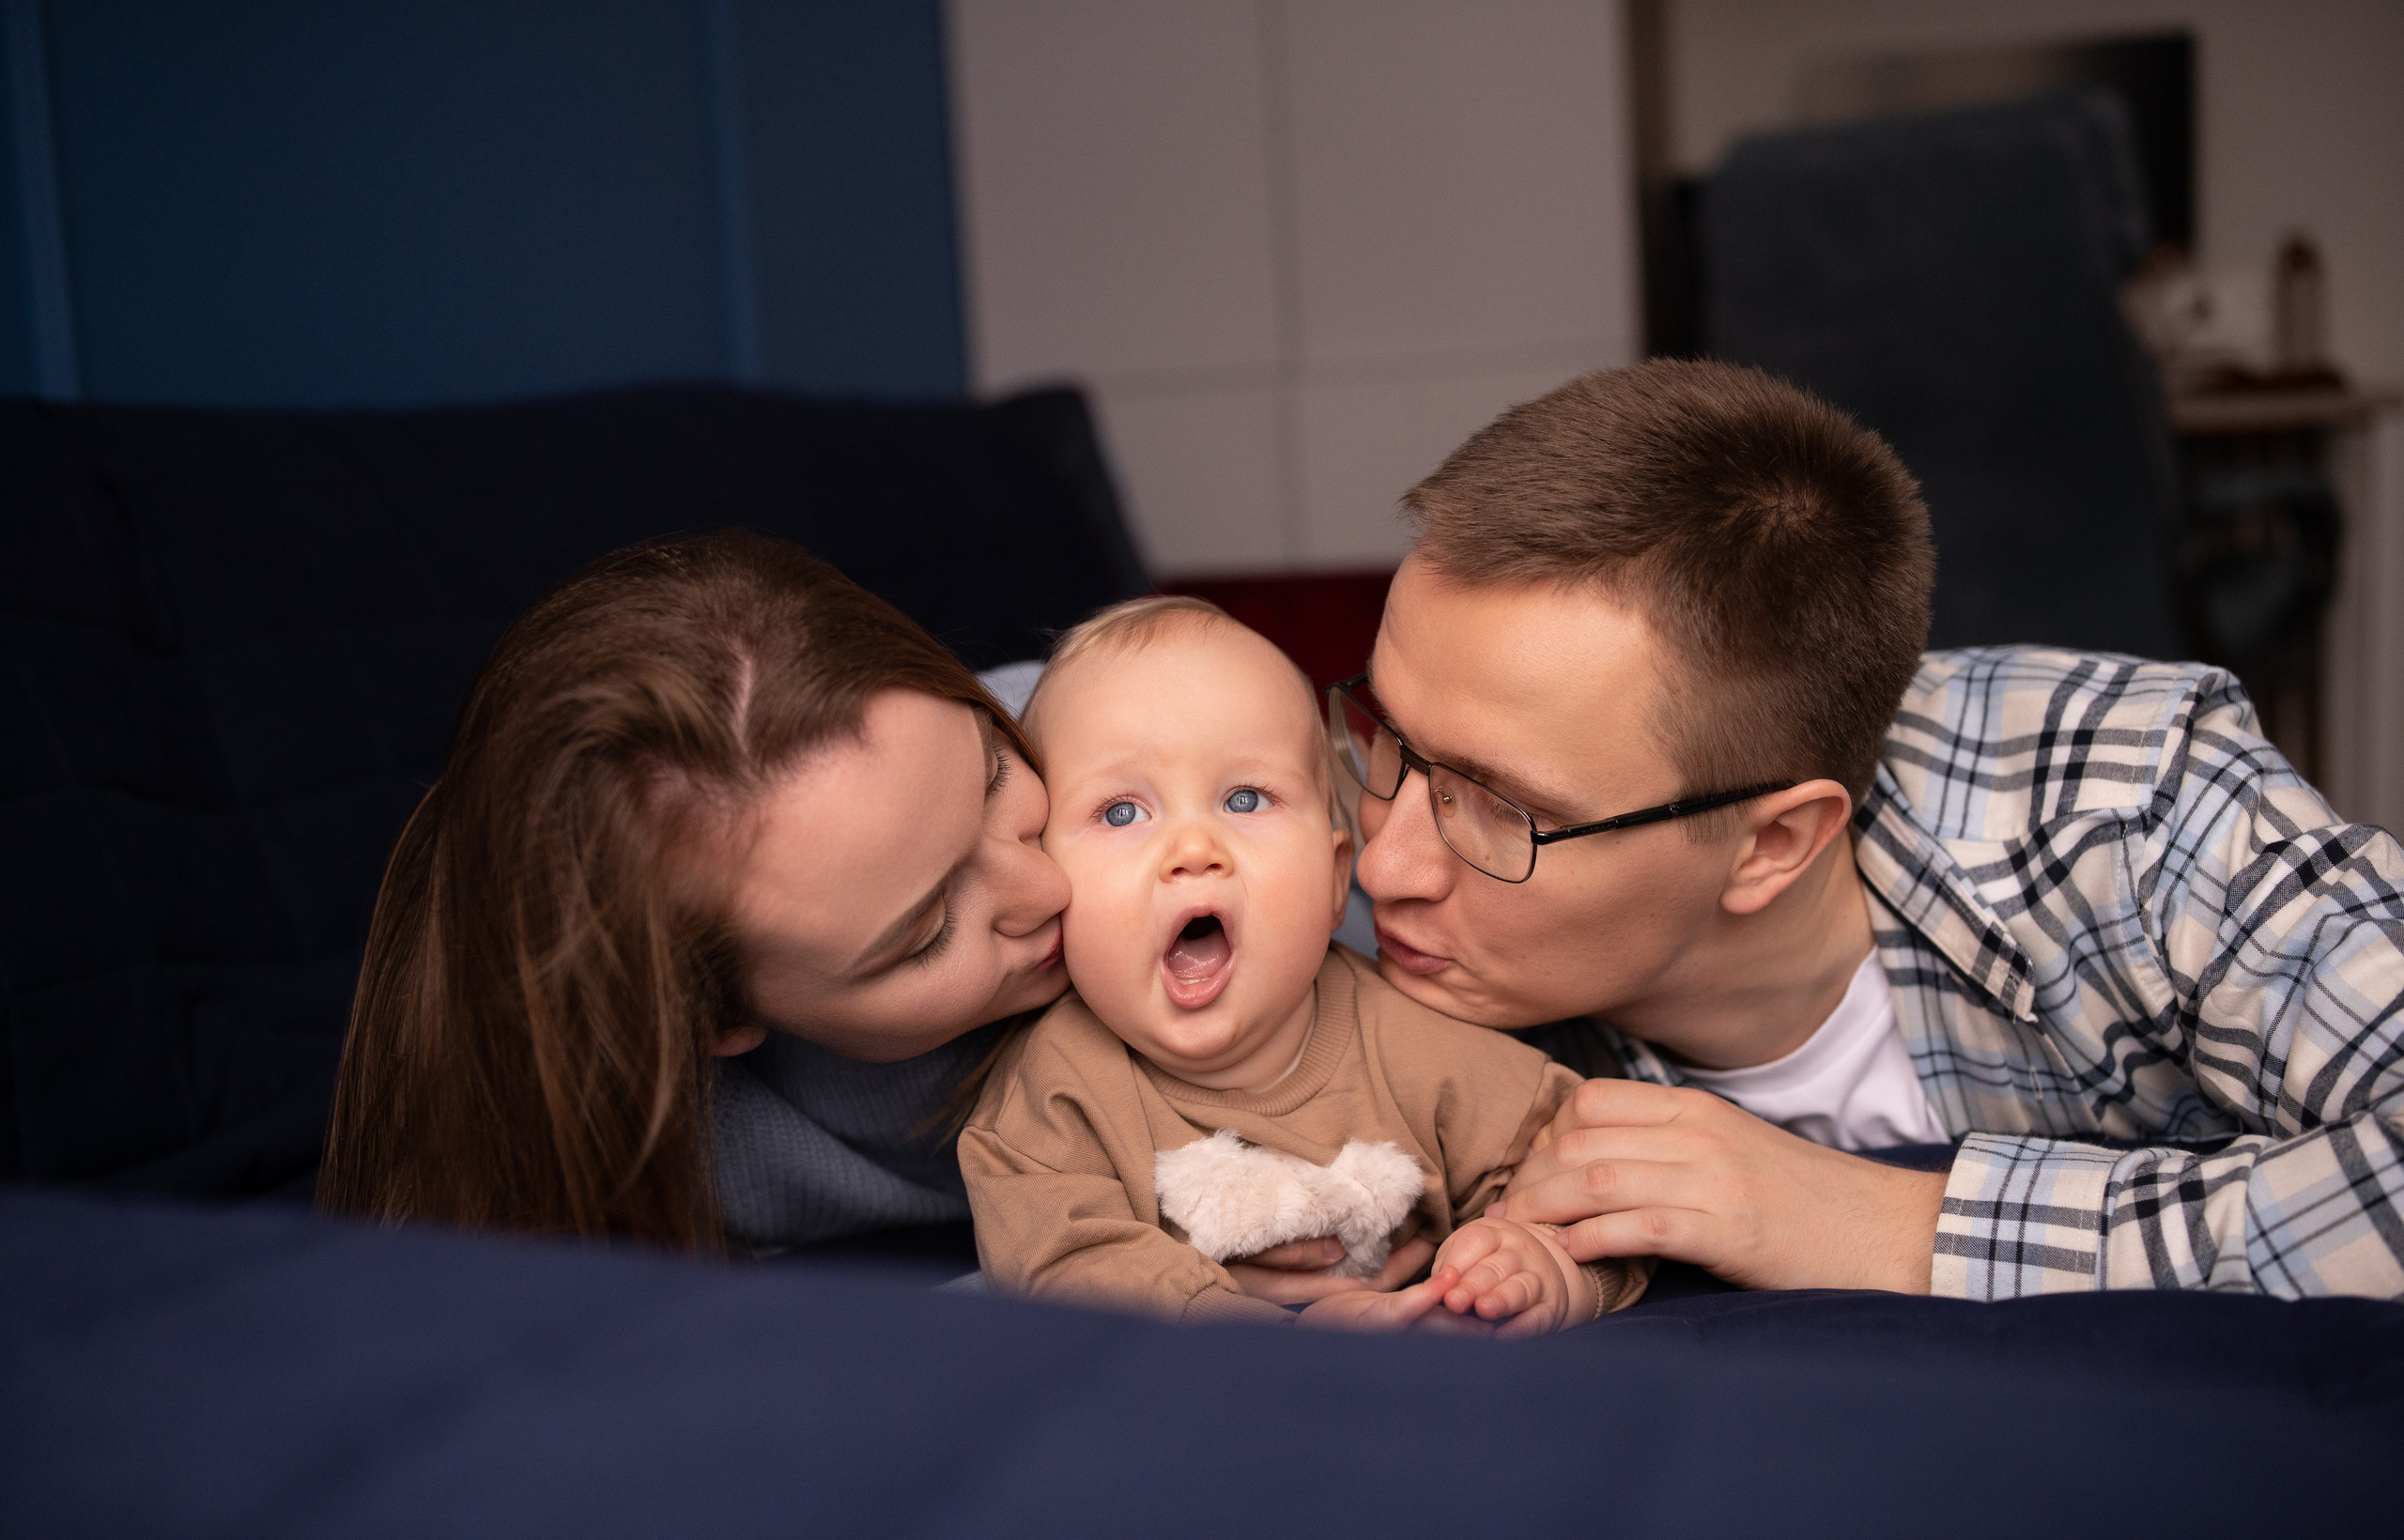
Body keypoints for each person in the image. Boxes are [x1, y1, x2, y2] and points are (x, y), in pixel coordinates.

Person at [1250, 358, 2404, 1305]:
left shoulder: (2131, 805)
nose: (1384, 863)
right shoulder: (1327, 882)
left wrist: (1900, 1225)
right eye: (1383, 735)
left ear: (1772, 844)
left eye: (1503, 809)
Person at [318, 529, 1072, 1249]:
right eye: (929, 931)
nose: (1049, 886)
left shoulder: (1112, 727)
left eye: (994, 775)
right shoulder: (651, 1161)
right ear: (719, 1018)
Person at [958, 598, 1644, 1331]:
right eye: (1122, 812)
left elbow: (1586, 1175)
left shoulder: (1420, 1044)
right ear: (1045, 880)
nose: (1194, 850)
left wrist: (1533, 1262)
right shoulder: (1053, 1097)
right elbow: (1060, 1265)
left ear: (1332, 876)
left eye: (1245, 798)